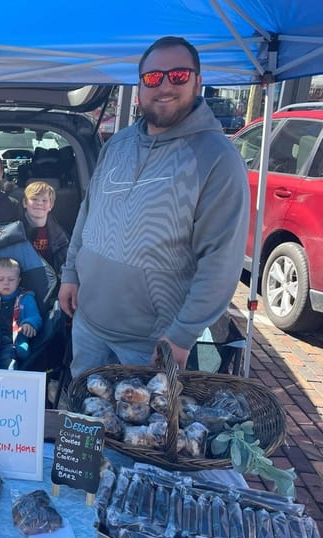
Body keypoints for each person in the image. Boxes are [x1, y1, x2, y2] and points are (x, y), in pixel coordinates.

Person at [58, 36, 249, 377]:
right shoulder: (117, 144)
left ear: (198, 81)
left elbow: (221, 261)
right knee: (82, 422)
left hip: (150, 344)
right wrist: (71, 273)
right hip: (88, 325)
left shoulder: (217, 157)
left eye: (177, 75)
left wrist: (182, 334)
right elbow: (88, 214)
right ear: (140, 84)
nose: (163, 86)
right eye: (152, 77)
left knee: (140, 431)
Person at [21, 181, 69, 274]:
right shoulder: (16, 232)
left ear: (51, 205)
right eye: (34, 199)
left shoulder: (60, 235)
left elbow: (66, 261)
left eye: (44, 200)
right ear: (25, 203)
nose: (39, 203)